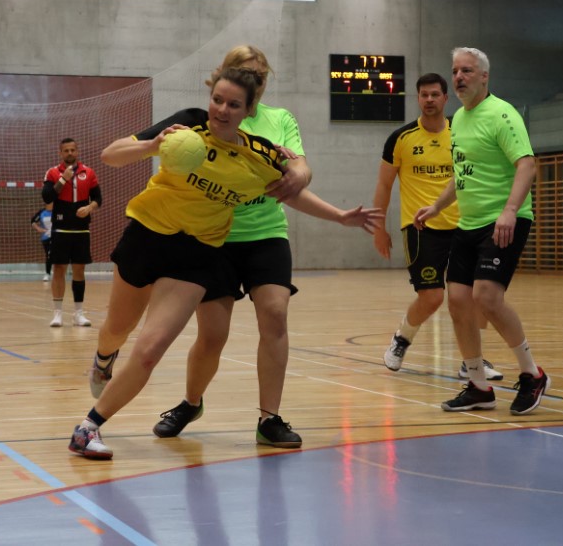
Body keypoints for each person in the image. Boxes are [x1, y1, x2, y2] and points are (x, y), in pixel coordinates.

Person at [69, 66, 379, 460]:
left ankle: (87, 428)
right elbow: (110, 155)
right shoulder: (187, 124)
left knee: (150, 348)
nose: (222, 110)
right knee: (117, 329)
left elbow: (290, 191)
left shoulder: (256, 155)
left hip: (196, 254)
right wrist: (153, 146)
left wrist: (340, 216)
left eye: (233, 104)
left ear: (249, 110)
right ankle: (103, 357)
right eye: (217, 100)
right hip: (147, 237)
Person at [414, 47, 550, 415]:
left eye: (467, 71)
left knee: (487, 298)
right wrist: (437, 206)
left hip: (502, 220)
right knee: (459, 301)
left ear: (484, 76)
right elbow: (463, 173)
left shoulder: (502, 115)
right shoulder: (458, 119)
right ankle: (478, 385)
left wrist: (509, 211)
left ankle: (532, 374)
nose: (459, 77)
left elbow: (527, 165)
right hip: (468, 223)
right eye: (455, 71)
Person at [373, 72, 502, 381]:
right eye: (424, 95)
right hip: (421, 229)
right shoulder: (401, 139)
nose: (429, 100)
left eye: (435, 94)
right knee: (432, 297)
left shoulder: (461, 133)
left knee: (475, 295)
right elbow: (384, 184)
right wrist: (379, 227)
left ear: (445, 98)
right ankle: (401, 339)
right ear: (418, 99)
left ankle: (472, 361)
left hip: (465, 225)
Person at [43, 138, 101, 327]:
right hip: (60, 228)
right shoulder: (53, 172)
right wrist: (63, 179)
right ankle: (57, 314)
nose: (70, 153)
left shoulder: (89, 172)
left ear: (77, 151)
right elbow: (47, 197)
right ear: (60, 153)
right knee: (59, 269)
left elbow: (98, 198)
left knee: (79, 269)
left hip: (81, 229)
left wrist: (89, 208)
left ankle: (78, 313)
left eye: (73, 150)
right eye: (66, 150)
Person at [31, 202, 53, 281]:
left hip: (56, 237)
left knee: (56, 254)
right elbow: (33, 221)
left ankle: (58, 273)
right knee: (49, 255)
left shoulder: (58, 211)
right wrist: (38, 228)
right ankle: (47, 273)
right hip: (46, 237)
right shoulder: (42, 212)